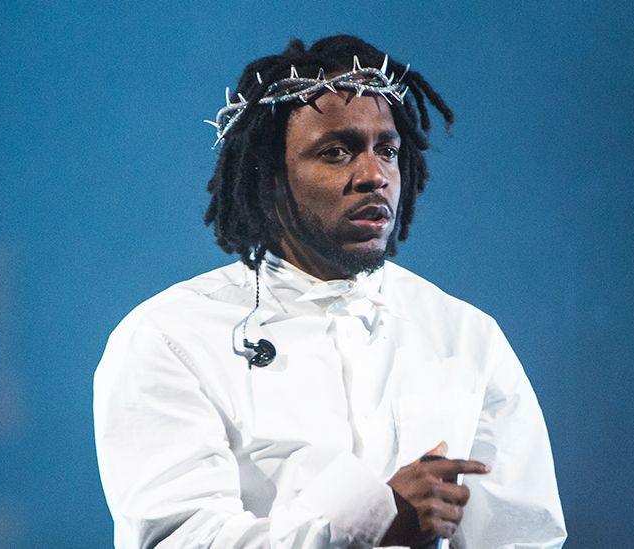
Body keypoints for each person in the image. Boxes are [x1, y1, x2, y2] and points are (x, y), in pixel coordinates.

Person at [94, 35, 566, 548]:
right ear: (268, 178)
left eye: (386, 150)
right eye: (336, 152)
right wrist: (369, 524)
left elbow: (524, 537)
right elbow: (179, 539)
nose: (374, 176)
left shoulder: (465, 335)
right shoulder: (170, 337)